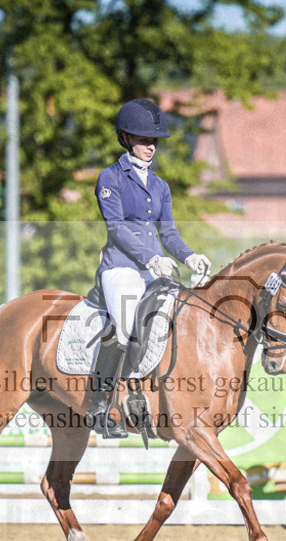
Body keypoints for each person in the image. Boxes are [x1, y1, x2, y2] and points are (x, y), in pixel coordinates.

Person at [86, 98, 211, 437]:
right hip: (121, 267)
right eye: (143, 140)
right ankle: (99, 406)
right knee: (126, 328)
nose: (150, 146)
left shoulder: (160, 186)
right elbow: (116, 228)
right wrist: (151, 258)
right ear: (125, 138)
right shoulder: (110, 177)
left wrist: (189, 256)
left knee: (175, 322)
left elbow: (168, 233)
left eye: (153, 140)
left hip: (155, 270)